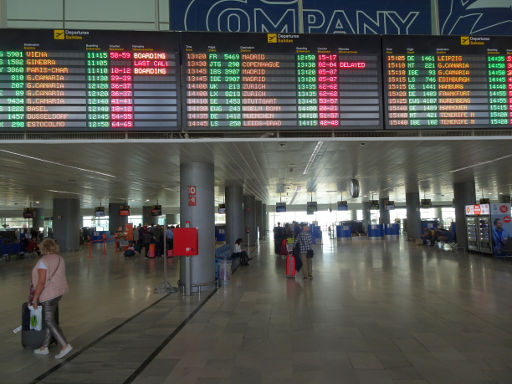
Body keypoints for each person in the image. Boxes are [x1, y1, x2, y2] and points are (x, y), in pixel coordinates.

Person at [30, 238, 72, 359]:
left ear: (43, 248)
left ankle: (64, 345)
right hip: (59, 292)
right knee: (50, 319)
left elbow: (41, 282)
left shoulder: (43, 261)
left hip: (48, 293)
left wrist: (35, 298)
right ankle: (44, 347)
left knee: (49, 321)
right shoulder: (59, 258)